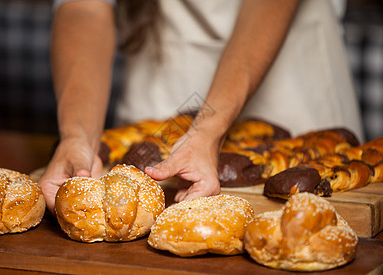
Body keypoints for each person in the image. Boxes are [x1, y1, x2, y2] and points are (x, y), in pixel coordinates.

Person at [39, 0, 364, 213]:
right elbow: (85, 8)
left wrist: (208, 127)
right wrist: (77, 136)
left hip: (290, 78)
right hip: (164, 68)